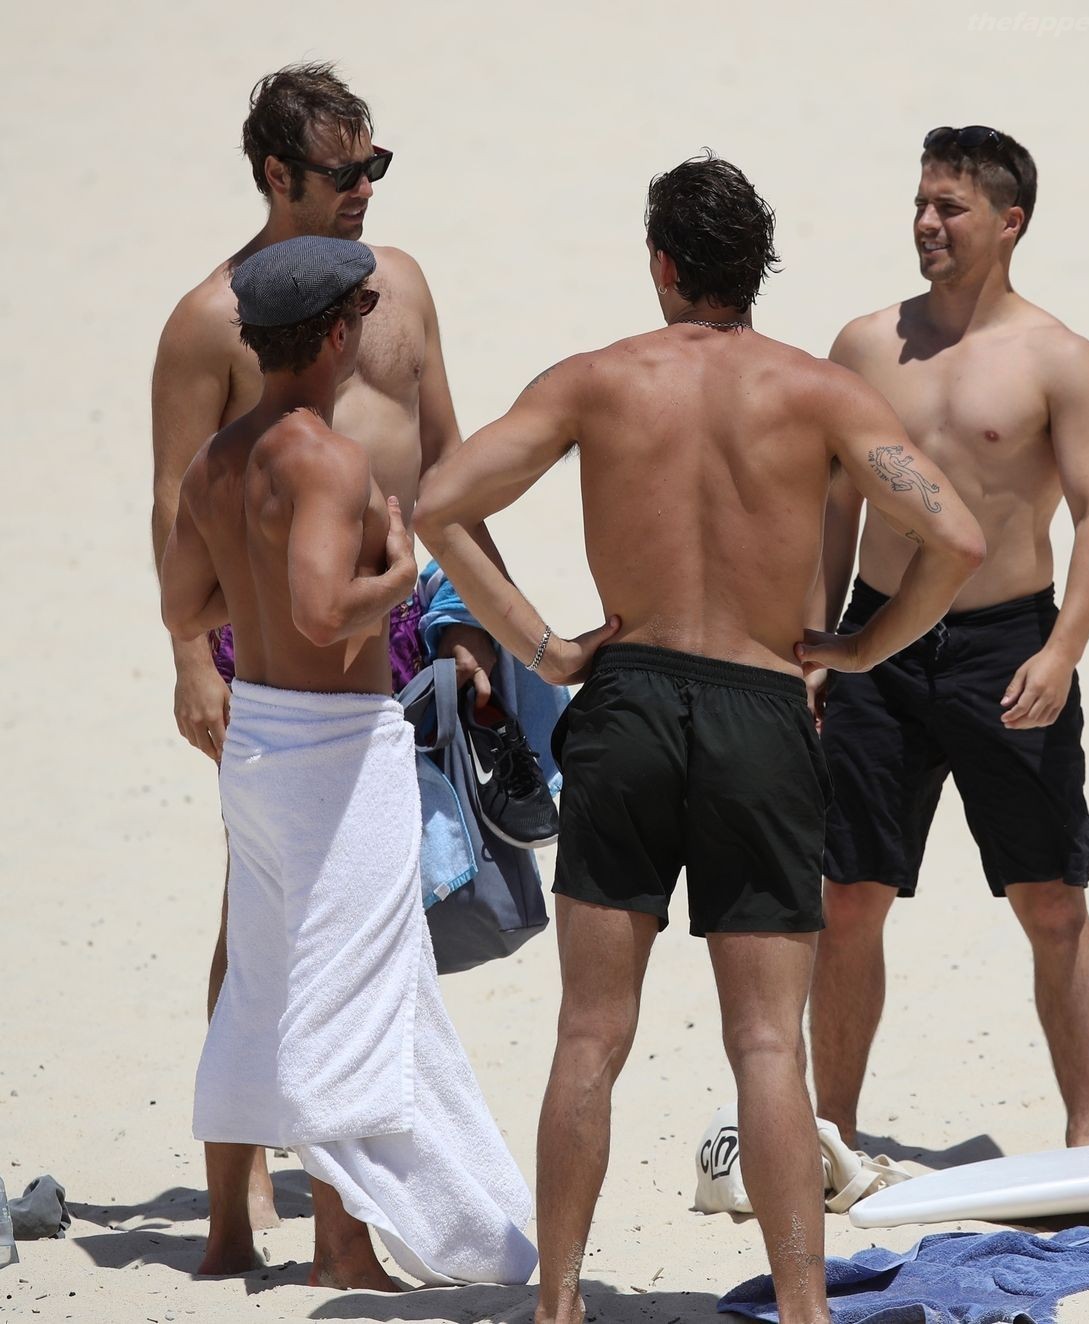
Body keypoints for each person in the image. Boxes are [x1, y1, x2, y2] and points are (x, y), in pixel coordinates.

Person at [413, 155, 985, 1324]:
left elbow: (439, 504)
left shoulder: (595, 380)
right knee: (769, 1043)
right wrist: (862, 649)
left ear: (663, 263)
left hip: (626, 703)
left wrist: (540, 646)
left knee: (589, 1030)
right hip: (762, 710)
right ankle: (806, 1309)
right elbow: (959, 537)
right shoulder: (818, 392)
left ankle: (559, 1304)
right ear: (756, 266)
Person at [147, 63, 538, 1260]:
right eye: (341, 171)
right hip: (287, 641)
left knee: (391, 901)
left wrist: (486, 619)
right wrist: (191, 664)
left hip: (405, 613)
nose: (365, 187)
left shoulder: (398, 286)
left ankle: (338, 1183)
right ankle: (269, 1201)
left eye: (376, 165)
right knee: (275, 917)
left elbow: (450, 466)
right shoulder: (208, 322)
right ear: (277, 174)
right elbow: (176, 506)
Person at [809, 126, 1089, 1150]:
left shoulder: (1059, 358)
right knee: (849, 896)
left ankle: (1087, 1136)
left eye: (949, 207)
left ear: (1009, 221)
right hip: (875, 643)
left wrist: (1063, 650)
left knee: (1052, 900)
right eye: (920, 203)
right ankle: (832, 1132)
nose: (926, 223)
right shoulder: (865, 346)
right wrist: (814, 641)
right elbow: (832, 505)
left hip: (1008, 646)